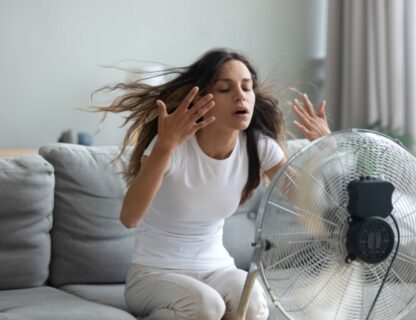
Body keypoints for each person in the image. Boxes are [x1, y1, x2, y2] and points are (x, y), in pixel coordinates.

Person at [95, 48, 331, 320]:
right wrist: (164, 146)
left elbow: (311, 205)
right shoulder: (172, 145)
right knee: (207, 307)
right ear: (201, 97)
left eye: (247, 87)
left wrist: (327, 150)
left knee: (252, 303)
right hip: (155, 273)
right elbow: (130, 217)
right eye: (224, 88)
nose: (240, 95)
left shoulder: (258, 147)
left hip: (217, 269)